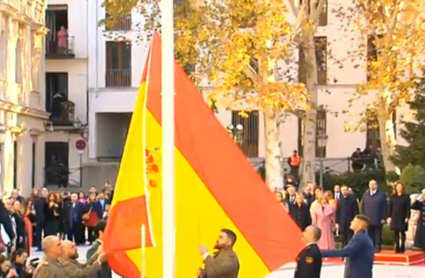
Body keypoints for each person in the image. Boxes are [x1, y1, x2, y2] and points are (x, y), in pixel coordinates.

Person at [361, 179, 387, 252]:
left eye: (374, 184)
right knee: (369, 233)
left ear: (376, 185)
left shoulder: (381, 195)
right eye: (371, 184)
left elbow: (384, 207)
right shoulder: (365, 195)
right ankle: (371, 246)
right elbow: (362, 207)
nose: (372, 186)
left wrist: (383, 217)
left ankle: (378, 246)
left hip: (378, 217)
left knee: (378, 233)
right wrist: (363, 217)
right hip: (368, 218)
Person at [388, 182, 410, 253]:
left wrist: (407, 216)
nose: (399, 188)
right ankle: (397, 247)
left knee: (402, 231)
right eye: (398, 186)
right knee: (396, 232)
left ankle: (402, 246)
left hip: (403, 216)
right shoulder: (392, 197)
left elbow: (408, 208)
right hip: (395, 216)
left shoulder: (406, 197)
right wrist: (389, 216)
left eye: (400, 186)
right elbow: (390, 207)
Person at [411, 189, 425, 253]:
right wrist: (419, 198)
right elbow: (413, 206)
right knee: (421, 234)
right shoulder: (421, 202)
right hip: (422, 221)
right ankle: (420, 246)